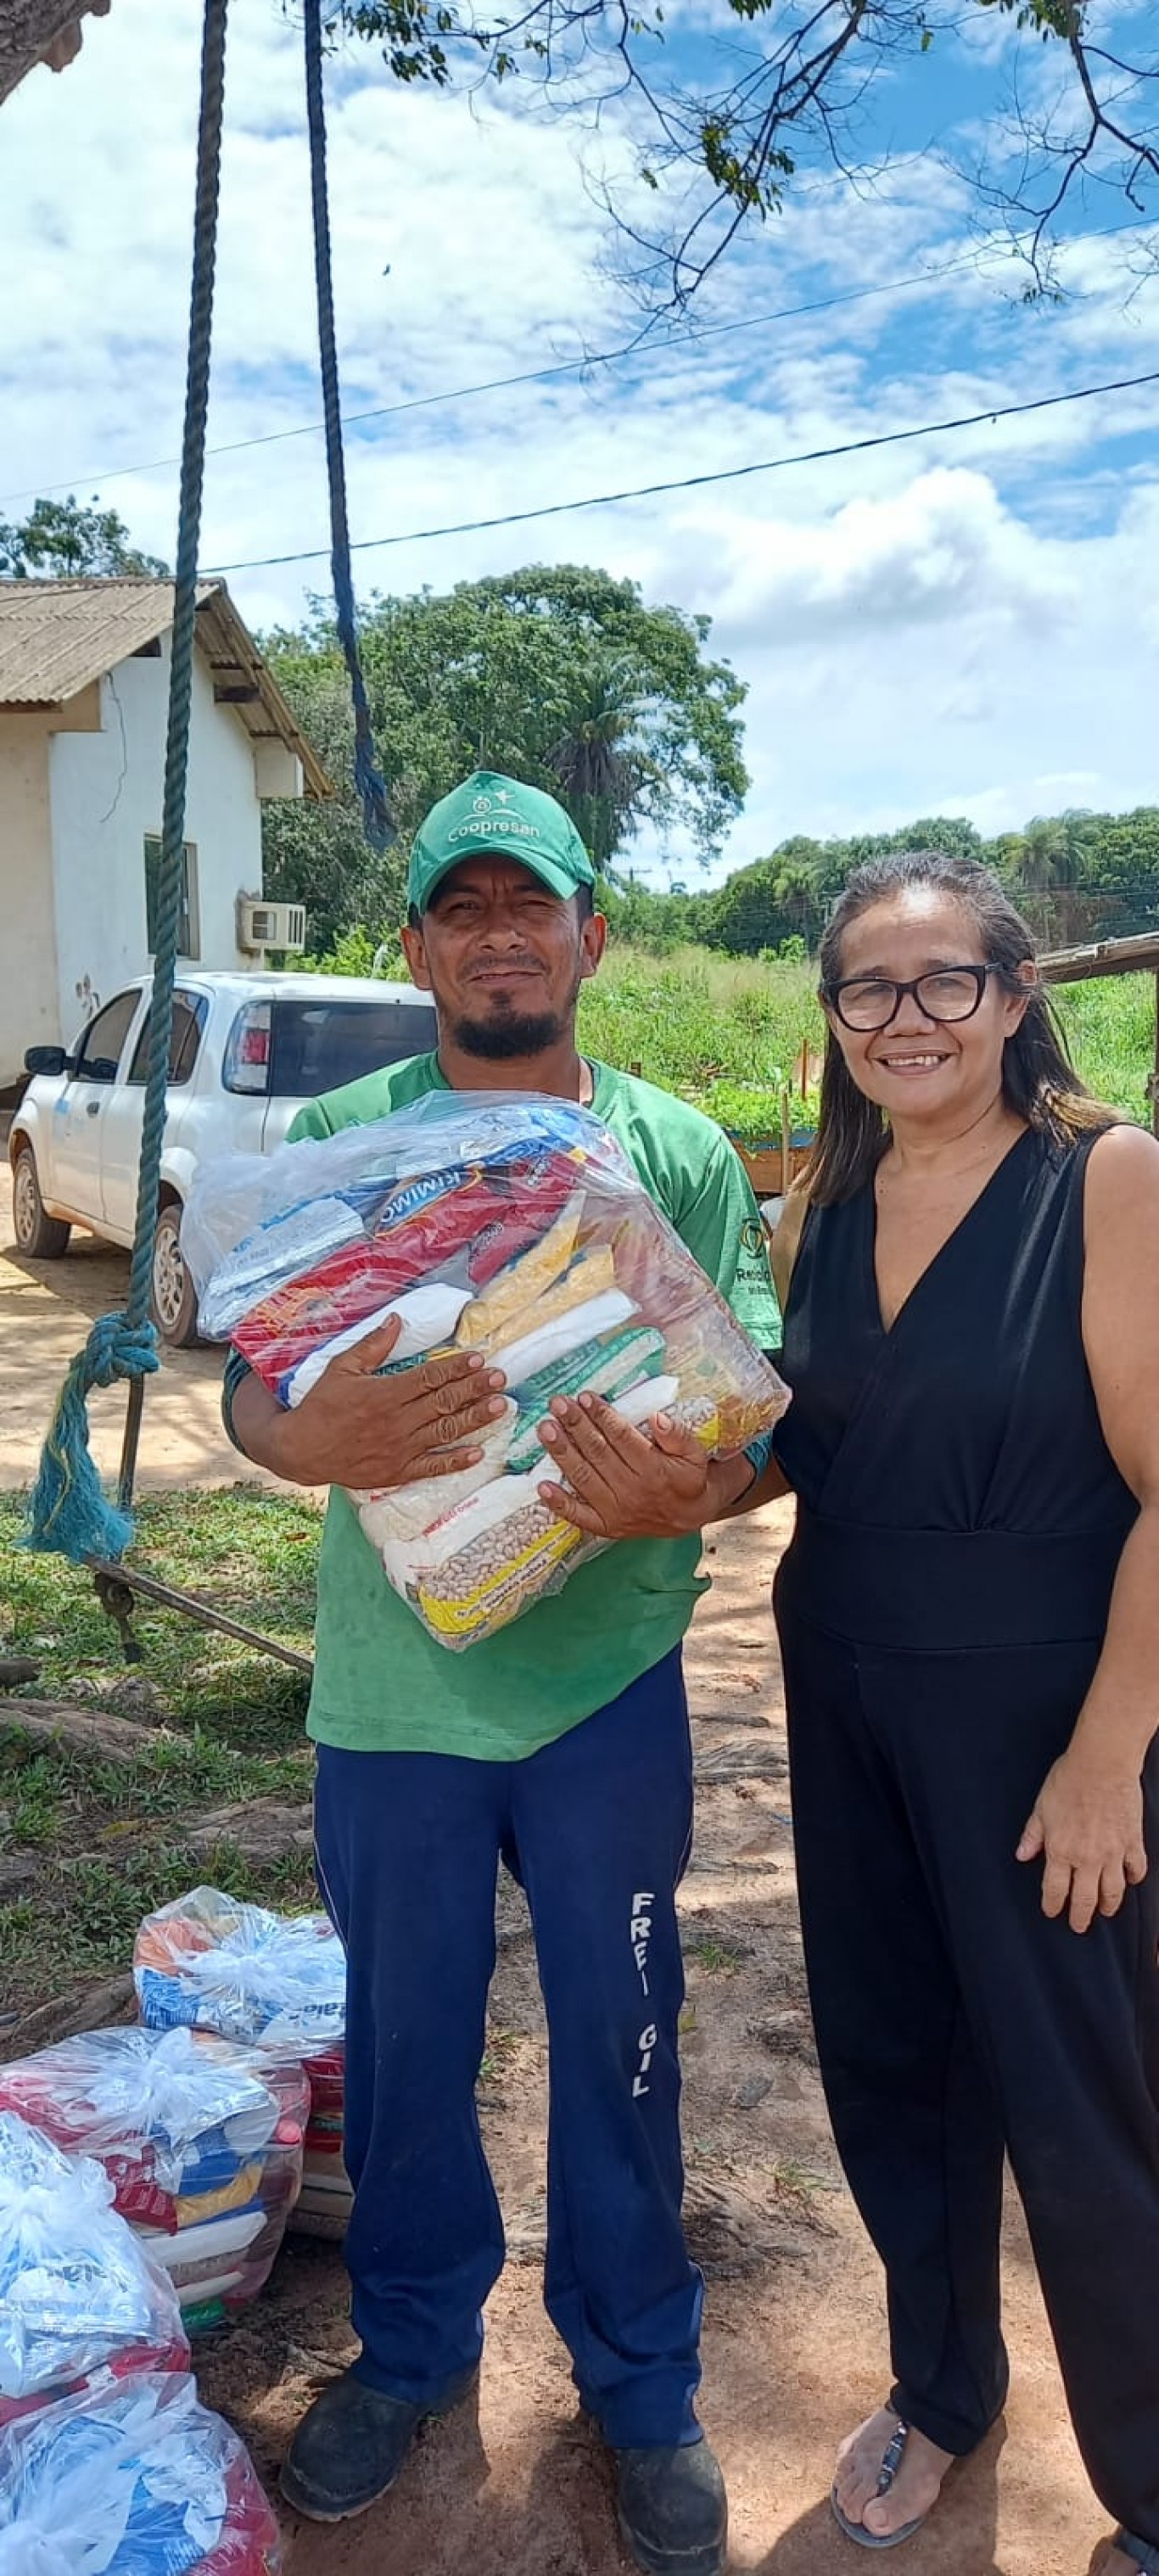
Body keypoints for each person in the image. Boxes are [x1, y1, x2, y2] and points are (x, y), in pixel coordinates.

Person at [223, 770, 783, 2574]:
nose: (496, 936)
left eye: (525, 905)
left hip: (604, 1679)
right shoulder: (351, 1144)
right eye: (458, 909)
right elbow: (254, 1382)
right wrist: (304, 1444)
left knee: (622, 2036)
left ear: (587, 935)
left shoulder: (668, 1149)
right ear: (415, 946)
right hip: (395, 1699)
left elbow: (752, 1413)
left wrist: (682, 1492)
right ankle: (406, 2353)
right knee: (402, 2048)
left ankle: (640, 2388)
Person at [769, 849, 1159, 2570]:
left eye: (945, 982)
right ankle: (940, 2389)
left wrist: (1103, 1758)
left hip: (1033, 1724)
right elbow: (787, 1452)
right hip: (841, 1684)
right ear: (834, 1015)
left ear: (1013, 995)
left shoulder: (1107, 1179)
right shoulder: (819, 1204)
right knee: (887, 2065)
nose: (905, 1017)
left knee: (1080, 2104)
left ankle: (1149, 2474)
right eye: (869, 986)